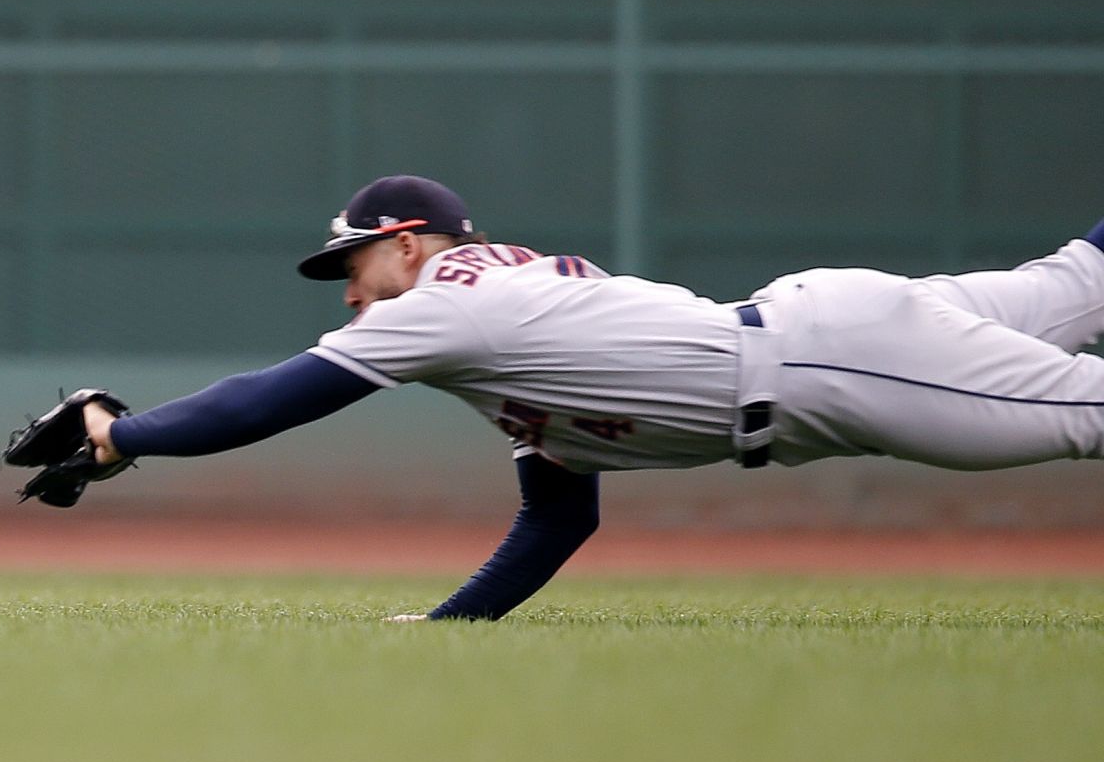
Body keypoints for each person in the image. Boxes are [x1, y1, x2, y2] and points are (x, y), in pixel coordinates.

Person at [63, 174, 1104, 621]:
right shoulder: (503, 325)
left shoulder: (440, 309)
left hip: (825, 368)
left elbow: (268, 402)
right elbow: (560, 515)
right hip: (827, 336)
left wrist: (122, 434)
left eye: (352, 261)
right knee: (1074, 284)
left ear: (406, 243)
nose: (346, 288)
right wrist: (452, 626)